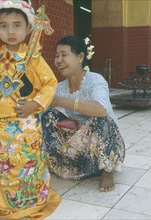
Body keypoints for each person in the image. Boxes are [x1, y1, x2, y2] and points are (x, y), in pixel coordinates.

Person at [0, 0, 61, 219]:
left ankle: (33, 199)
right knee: (6, 163)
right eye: (3, 25)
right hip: (1, 125)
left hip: (26, 123)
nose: (10, 31)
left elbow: (50, 83)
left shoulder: (33, 57)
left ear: (28, 28)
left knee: (28, 161)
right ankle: (9, 199)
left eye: (16, 25)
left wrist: (35, 104)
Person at [41, 36, 125, 192]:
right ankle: (66, 164)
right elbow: (41, 106)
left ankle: (107, 170)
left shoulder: (95, 80)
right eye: (56, 55)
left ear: (80, 57)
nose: (59, 60)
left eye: (64, 55)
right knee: (47, 116)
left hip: (105, 142)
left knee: (101, 119)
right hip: (81, 142)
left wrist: (62, 101)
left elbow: (101, 109)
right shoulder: (60, 87)